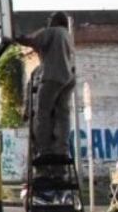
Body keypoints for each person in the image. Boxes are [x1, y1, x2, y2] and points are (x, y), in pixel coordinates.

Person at [16, 12, 75, 165]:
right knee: (63, 114)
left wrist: (15, 37)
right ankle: (61, 149)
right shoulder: (67, 35)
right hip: (69, 78)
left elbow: (33, 40)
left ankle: (45, 150)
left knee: (42, 112)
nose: (48, 22)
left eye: (50, 20)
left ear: (55, 21)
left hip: (53, 75)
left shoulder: (52, 32)